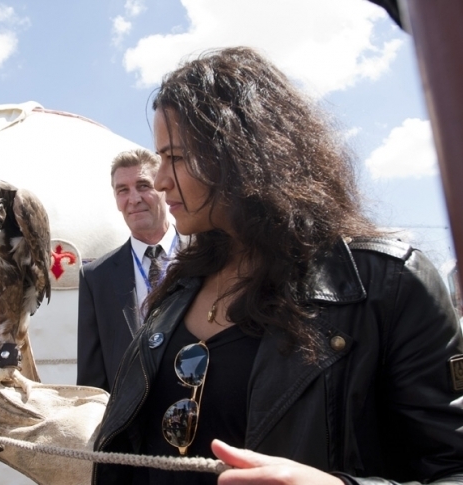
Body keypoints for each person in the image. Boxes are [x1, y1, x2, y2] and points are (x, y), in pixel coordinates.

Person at [92, 47, 463, 485]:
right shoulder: (179, 287)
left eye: (174, 157)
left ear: (239, 153)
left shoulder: (387, 284)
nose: (159, 180)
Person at [77, 148, 181, 392]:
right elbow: (92, 381)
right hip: (133, 424)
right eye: (122, 190)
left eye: (144, 185)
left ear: (163, 189)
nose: (133, 199)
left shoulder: (206, 256)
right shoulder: (96, 277)